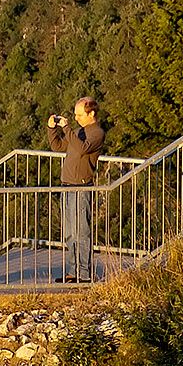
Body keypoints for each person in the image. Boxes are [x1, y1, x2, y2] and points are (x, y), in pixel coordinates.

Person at [49, 95, 106, 279]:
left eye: (79, 115)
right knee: (70, 234)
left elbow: (82, 149)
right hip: (67, 187)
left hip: (81, 188)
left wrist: (66, 128)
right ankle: (73, 272)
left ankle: (85, 274)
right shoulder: (79, 132)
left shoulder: (97, 133)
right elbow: (58, 147)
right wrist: (52, 129)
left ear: (91, 113)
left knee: (82, 233)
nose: (76, 118)